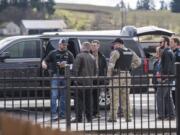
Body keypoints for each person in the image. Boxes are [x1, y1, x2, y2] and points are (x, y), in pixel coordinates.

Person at [107, 38, 141, 122]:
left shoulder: (116, 52)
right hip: (126, 75)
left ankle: (113, 117)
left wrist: (108, 77)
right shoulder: (130, 51)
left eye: (114, 44)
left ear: (118, 44)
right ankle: (128, 117)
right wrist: (130, 68)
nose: (114, 46)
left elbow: (111, 65)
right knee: (125, 97)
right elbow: (139, 62)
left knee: (114, 97)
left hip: (116, 76)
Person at [42, 38, 74, 120]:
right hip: (55, 76)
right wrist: (44, 64)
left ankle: (62, 114)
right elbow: (45, 60)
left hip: (65, 77)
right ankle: (54, 115)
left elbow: (73, 65)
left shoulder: (69, 54)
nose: (65, 46)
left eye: (66, 45)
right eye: (63, 44)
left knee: (63, 97)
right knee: (54, 96)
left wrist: (66, 66)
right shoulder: (53, 53)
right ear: (59, 45)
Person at [72, 41, 97, 123]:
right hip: (89, 82)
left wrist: (75, 80)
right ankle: (89, 118)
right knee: (89, 101)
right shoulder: (92, 57)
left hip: (80, 82)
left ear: (82, 47)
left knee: (79, 102)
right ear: (89, 48)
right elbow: (95, 71)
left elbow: (75, 69)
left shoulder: (79, 56)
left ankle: (79, 118)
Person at [157, 36, 175, 120]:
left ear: (166, 43)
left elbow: (167, 67)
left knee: (160, 96)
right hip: (169, 78)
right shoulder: (169, 51)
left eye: (161, 42)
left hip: (166, 78)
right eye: (159, 42)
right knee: (168, 97)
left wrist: (163, 77)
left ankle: (162, 115)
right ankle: (171, 115)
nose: (159, 44)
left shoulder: (167, 52)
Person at [90, 40, 107, 118]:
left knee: (96, 96)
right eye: (92, 45)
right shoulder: (88, 54)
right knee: (89, 96)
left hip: (98, 78)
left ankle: (96, 113)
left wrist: (104, 79)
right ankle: (89, 113)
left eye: (95, 45)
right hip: (89, 78)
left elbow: (104, 68)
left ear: (98, 46)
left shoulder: (102, 56)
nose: (93, 47)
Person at [170, 37, 180, 107]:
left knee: (176, 95)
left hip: (177, 76)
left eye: (171, 42)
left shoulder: (178, 52)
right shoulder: (171, 52)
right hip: (172, 76)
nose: (170, 43)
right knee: (173, 95)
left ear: (176, 43)